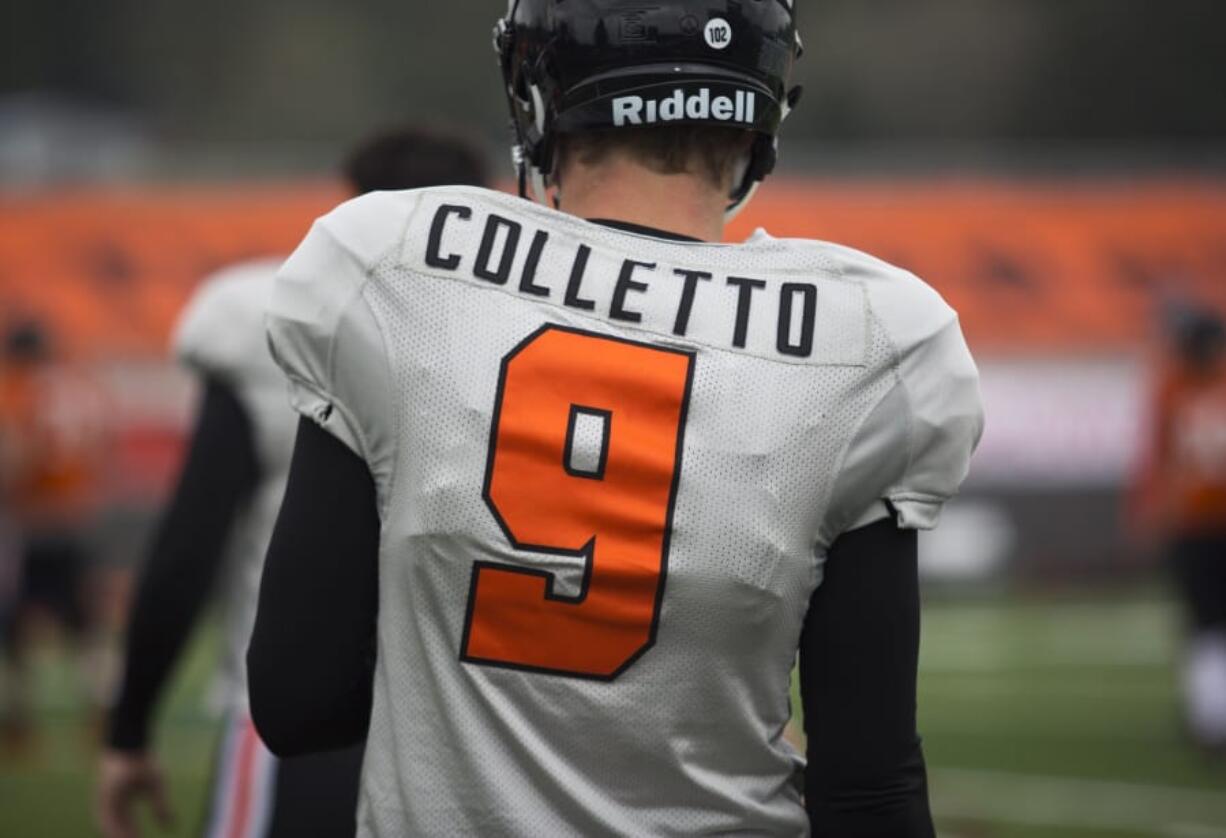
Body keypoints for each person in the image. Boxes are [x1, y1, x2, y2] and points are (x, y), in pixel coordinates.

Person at [249, 3, 984, 836]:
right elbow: (870, 787)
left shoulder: (396, 267)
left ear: (540, 98)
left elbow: (301, 701)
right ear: (758, 113)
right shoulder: (871, 338)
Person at [96, 127, 490, 838]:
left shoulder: (277, 316)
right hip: (473, 745)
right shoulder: (521, 331)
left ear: (350, 210)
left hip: (297, 724)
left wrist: (130, 729)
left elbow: (190, 543)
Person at [0, 320, 108, 752]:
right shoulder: (80, 388)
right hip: (76, 519)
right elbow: (102, 448)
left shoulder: (22, 392)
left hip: (33, 522)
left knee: (12, 627)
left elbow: (16, 455)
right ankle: (98, 712)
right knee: (85, 626)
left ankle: (18, 718)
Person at [1135, 303, 1226, 753]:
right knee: (1207, 625)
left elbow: (1157, 460)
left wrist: (1152, 511)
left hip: (1195, 523)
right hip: (1199, 523)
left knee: (1204, 626)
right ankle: (1210, 714)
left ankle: (1209, 716)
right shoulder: (1175, 387)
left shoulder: (1172, 388)